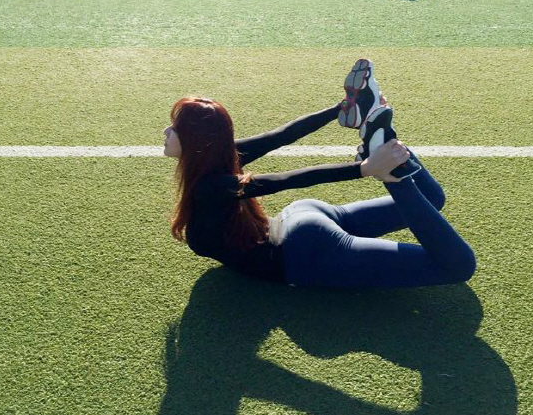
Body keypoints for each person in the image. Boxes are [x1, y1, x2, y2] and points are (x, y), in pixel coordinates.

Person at [163, 59, 475, 290]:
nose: (167, 132)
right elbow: (282, 136)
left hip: (307, 251)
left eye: (174, 129)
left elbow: (286, 174)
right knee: (432, 198)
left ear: (195, 141)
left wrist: (364, 166)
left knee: (458, 266)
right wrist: (342, 112)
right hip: (303, 216)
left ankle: (388, 162)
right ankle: (384, 141)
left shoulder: (210, 183)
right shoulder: (218, 164)